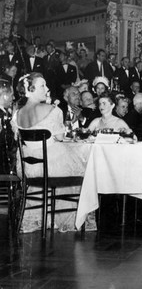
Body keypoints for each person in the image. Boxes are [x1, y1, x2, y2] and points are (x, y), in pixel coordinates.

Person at [11, 73, 94, 233]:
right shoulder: (53, 110)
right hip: (51, 165)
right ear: (30, 89)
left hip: (29, 168)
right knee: (84, 167)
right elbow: (60, 137)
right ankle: (72, 217)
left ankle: (44, 217)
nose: (47, 89)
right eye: (42, 85)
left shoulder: (18, 114)